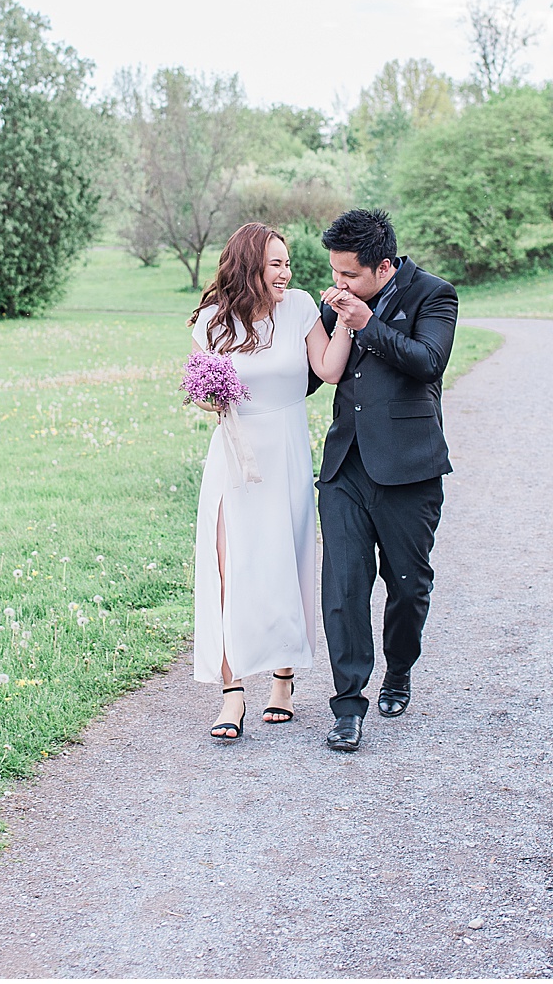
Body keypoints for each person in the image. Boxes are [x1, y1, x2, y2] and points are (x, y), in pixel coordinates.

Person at [190, 223, 355, 741]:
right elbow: (198, 387)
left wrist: (347, 318)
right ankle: (231, 694)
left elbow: (327, 370)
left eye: (287, 263)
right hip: (234, 458)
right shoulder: (213, 322)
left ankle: (282, 681)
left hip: (284, 451)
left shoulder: (302, 308)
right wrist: (208, 396)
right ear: (248, 268)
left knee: (289, 561)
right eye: (276, 264)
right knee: (228, 569)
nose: (286, 273)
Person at [307, 209, 458, 753]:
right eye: (334, 272)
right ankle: (348, 705)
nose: (337, 284)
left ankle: (399, 671)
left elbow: (428, 362)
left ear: (384, 267)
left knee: (408, 587)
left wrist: (367, 322)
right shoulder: (337, 304)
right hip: (345, 466)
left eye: (348, 274)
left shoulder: (434, 295)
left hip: (408, 468)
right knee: (343, 587)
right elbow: (313, 372)